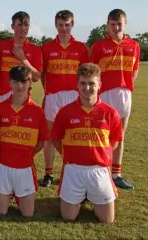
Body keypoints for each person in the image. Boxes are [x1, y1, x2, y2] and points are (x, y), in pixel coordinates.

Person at [52, 63, 122, 223]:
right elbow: (56, 139)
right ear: (77, 84)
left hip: (99, 169)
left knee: (107, 220)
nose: (87, 87)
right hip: (73, 169)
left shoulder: (110, 113)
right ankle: (84, 194)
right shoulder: (65, 111)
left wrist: (98, 154)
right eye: (83, 83)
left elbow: (114, 142)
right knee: (68, 217)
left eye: (92, 83)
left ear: (99, 85)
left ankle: (92, 194)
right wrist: (70, 155)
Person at [90, 9, 140, 190]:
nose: (116, 28)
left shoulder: (134, 45)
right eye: (112, 24)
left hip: (125, 94)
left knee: (120, 135)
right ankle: (101, 169)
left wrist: (125, 86)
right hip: (104, 94)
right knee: (101, 135)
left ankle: (117, 174)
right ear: (107, 24)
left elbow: (134, 71)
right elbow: (93, 72)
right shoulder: (98, 46)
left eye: (119, 24)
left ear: (125, 23)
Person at [39, 10, 89, 187]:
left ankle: (71, 168)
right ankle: (48, 173)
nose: (64, 28)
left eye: (67, 25)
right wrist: (50, 92)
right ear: (55, 25)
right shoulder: (47, 47)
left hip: (74, 96)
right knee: (50, 136)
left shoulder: (81, 48)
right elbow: (42, 74)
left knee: (73, 135)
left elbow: (85, 76)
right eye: (60, 25)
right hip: (53, 96)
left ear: (72, 25)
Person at [0, 66, 49, 217]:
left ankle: (17, 193)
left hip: (25, 168)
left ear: (30, 83)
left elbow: (42, 142)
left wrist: (28, 154)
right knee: (0, 212)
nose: (20, 86)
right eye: (16, 81)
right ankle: (5, 193)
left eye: (24, 82)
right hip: (3, 167)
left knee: (27, 214)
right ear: (10, 82)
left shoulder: (37, 111)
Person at [0, 11, 43, 179]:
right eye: (19, 25)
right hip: (2, 95)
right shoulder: (1, 45)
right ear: (12, 26)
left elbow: (36, 77)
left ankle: (20, 166)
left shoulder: (34, 49)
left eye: (26, 25)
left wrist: (23, 59)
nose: (23, 28)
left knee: (17, 134)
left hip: (21, 97)